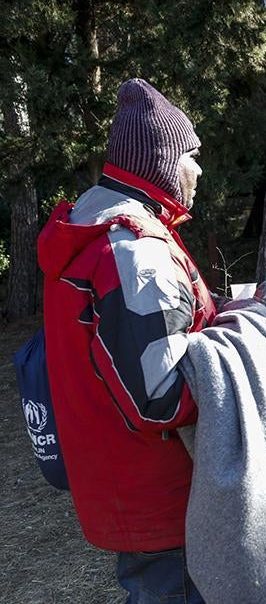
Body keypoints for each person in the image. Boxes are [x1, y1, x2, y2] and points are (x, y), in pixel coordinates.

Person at [38, 78, 213, 603]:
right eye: (192, 154)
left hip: (125, 485)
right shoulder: (133, 252)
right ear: (161, 160)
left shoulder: (95, 225)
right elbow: (162, 399)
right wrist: (240, 349)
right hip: (164, 500)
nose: (200, 170)